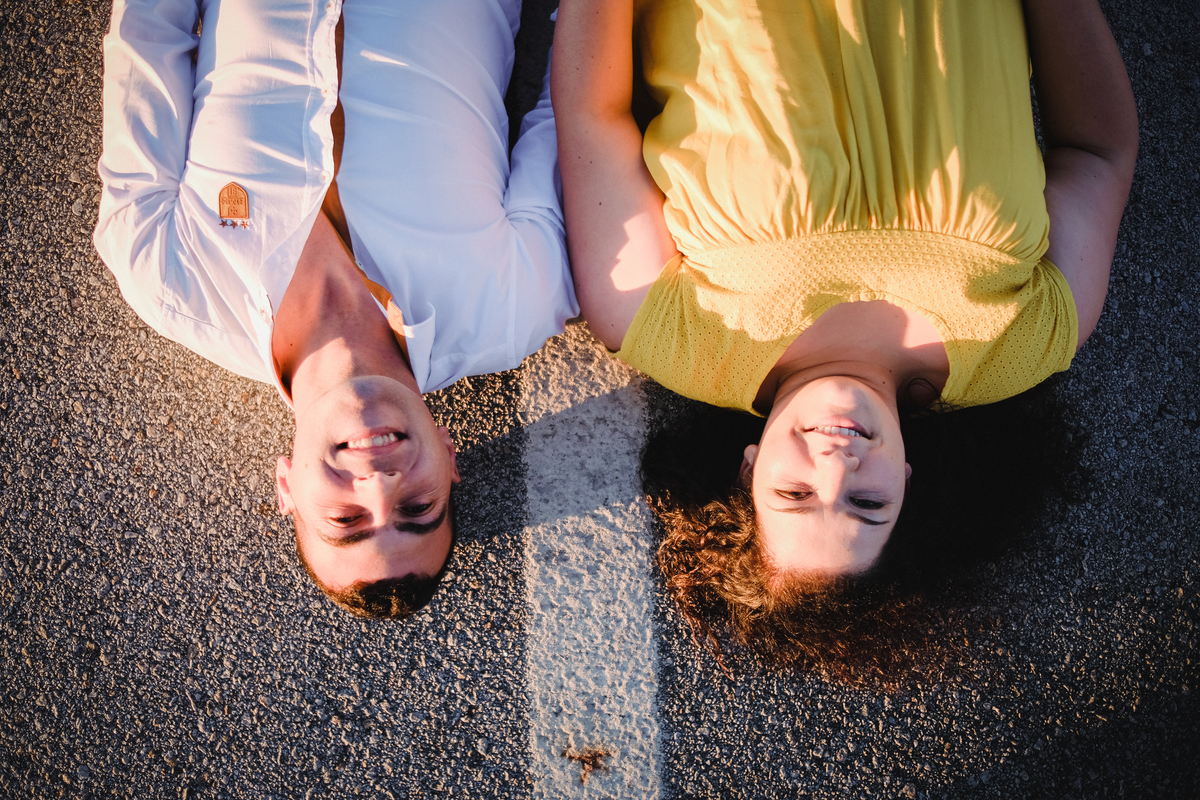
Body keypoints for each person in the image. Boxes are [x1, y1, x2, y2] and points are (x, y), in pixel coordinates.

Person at [553, 0, 1136, 671]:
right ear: (908, 485)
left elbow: (593, 115)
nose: (835, 465)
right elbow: (1099, 150)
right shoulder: (1025, 342)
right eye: (867, 503)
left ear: (748, 470)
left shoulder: (664, 330)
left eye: (794, 495)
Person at [94, 0, 577, 617]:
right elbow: (570, 113)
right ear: (450, 458)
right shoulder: (514, 305)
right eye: (417, 508)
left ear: (286, 486)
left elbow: (145, 36)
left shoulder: (165, 277)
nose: (379, 483)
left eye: (345, 519)